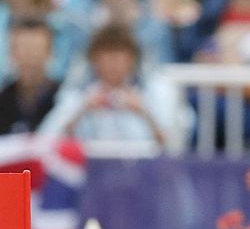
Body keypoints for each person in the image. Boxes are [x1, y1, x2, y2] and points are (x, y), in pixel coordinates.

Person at [38, 21, 188, 147]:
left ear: (132, 60)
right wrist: (81, 111)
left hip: (143, 173)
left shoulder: (155, 92)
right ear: (94, 59)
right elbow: (46, 142)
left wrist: (144, 112)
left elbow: (175, 145)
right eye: (107, 57)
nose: (113, 64)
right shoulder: (77, 96)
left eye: (119, 57)